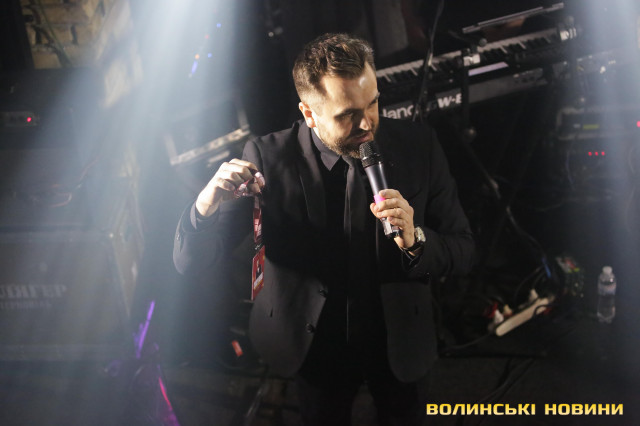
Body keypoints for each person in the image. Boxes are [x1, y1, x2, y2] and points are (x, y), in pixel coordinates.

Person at [173, 33, 474, 426]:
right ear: (309, 113)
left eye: (373, 103)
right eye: (347, 114)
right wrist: (205, 206)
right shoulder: (267, 158)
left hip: (399, 338)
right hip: (311, 344)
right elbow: (191, 263)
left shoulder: (419, 145)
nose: (367, 124)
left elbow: (463, 250)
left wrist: (416, 240)